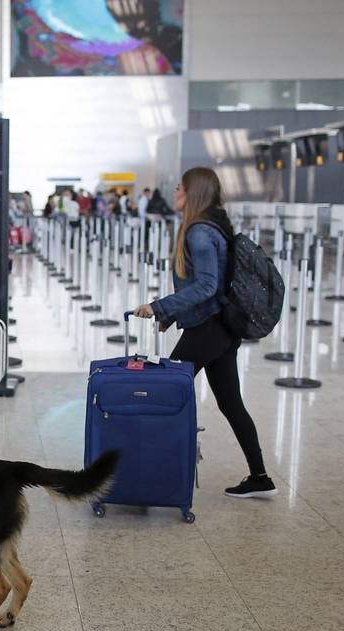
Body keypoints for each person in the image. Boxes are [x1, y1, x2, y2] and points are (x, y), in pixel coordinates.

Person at [133, 167, 277, 499]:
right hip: (220, 327)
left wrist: (161, 307)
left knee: (163, 394)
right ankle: (260, 477)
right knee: (230, 403)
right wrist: (172, 315)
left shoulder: (199, 233)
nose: (175, 192)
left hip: (209, 329)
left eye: (180, 188)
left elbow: (207, 286)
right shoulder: (213, 226)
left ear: (193, 193)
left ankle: (150, 475)